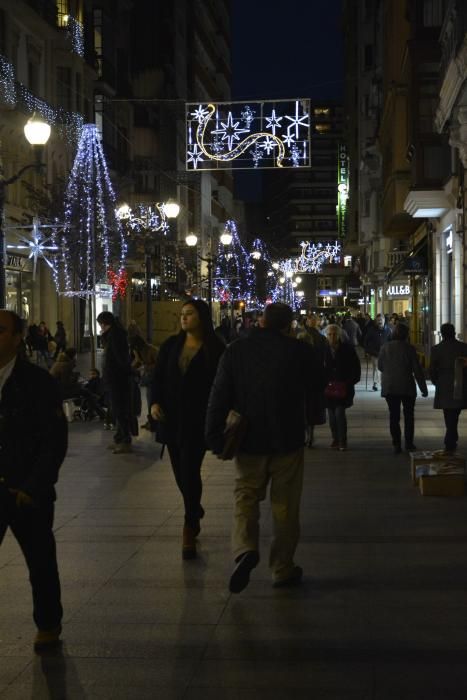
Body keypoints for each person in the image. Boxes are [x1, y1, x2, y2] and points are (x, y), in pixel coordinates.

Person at [205, 302, 324, 592]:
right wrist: (313, 419)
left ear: (260, 322)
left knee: (246, 495)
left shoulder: (235, 350)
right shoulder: (299, 351)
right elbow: (317, 384)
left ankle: (245, 549)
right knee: (285, 506)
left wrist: (213, 434)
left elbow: (219, 393)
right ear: (288, 325)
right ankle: (282, 567)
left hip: (248, 438)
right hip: (288, 437)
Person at [0, 309, 68, 650]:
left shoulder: (38, 382)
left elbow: (54, 440)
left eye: (0, 330)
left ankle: (48, 624)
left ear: (17, 338)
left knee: (40, 561)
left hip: (26, 490)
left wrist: (33, 486)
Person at [151, 299, 225, 559]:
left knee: (189, 469)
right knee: (180, 474)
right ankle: (194, 508)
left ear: (201, 317)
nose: (184, 318)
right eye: (182, 314)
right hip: (171, 420)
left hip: (198, 421)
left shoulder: (215, 348)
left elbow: (222, 384)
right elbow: (157, 377)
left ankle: (189, 524)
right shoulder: (171, 346)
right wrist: (154, 402)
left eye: (189, 314)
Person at [378, 323, 428, 453]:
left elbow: (380, 366)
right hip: (407, 386)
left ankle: (396, 444)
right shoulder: (409, 348)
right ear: (406, 335)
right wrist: (423, 388)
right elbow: (417, 370)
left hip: (390, 386)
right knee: (409, 415)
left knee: (394, 416)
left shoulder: (385, 347)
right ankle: (409, 443)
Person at [97, 311, 132, 453]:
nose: (101, 327)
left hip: (117, 379)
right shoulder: (112, 335)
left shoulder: (115, 336)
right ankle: (119, 437)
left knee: (119, 409)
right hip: (113, 378)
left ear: (106, 323)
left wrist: (126, 372)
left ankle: (125, 440)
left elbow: (120, 358)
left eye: (101, 324)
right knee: (115, 408)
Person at [429, 323, 467, 453]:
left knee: (448, 412)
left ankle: (450, 439)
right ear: (454, 332)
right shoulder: (463, 347)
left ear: (442, 334)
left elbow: (432, 369)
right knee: (454, 412)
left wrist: (436, 381)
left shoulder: (436, 349)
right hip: (459, 382)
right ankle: (451, 437)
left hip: (444, 383)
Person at [323, 324, 361, 451]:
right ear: (326, 335)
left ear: (339, 335)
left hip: (343, 388)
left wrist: (350, 382)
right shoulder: (323, 350)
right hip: (328, 388)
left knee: (339, 413)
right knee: (331, 416)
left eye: (334, 334)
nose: (332, 337)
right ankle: (335, 438)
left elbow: (355, 367)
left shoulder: (347, 349)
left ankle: (342, 440)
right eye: (330, 334)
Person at [297, 313, 328, 447]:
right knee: (311, 409)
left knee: (303, 409)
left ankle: (306, 435)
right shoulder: (321, 338)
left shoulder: (301, 336)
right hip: (315, 378)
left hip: (303, 380)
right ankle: (310, 434)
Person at [130, 334, 158, 430]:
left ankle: (153, 423)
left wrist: (144, 366)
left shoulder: (150, 350)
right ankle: (151, 422)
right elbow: (137, 361)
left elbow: (158, 364)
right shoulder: (142, 350)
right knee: (149, 399)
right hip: (150, 376)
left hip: (154, 377)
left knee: (152, 400)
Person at [363, 316, 391, 391]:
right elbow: (366, 341)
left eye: (381, 320)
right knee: (377, 368)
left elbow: (391, 341)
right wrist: (367, 351)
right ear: (375, 321)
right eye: (378, 320)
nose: (379, 322)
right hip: (374, 353)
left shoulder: (388, 330)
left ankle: (382, 383)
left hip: (385, 353)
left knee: (383, 369)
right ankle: (375, 383)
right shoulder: (371, 330)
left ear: (384, 320)